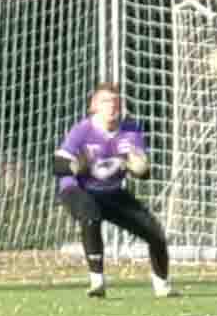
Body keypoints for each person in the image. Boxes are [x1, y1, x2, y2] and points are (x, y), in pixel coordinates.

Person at [53, 82, 176, 298]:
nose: (111, 106)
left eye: (115, 101)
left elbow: (144, 173)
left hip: (110, 192)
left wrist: (139, 166)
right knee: (90, 214)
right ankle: (97, 282)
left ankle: (162, 286)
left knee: (155, 233)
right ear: (94, 106)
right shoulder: (83, 130)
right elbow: (57, 166)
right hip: (78, 189)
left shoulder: (131, 131)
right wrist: (76, 166)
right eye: (105, 101)